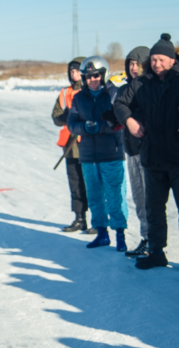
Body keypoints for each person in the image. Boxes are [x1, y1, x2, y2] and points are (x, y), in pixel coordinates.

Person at [114, 34, 179, 270]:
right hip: (152, 157)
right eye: (153, 59)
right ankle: (156, 251)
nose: (157, 64)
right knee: (154, 208)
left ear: (173, 60)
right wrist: (130, 121)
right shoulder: (140, 83)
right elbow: (120, 104)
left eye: (162, 59)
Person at [67, 55, 128, 250]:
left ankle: (120, 235)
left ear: (103, 75)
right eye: (89, 76)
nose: (93, 80)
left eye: (96, 76)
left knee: (115, 195)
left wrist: (100, 126)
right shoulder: (78, 98)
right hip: (88, 156)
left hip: (111, 153)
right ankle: (102, 233)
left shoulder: (114, 94)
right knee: (94, 196)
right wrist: (84, 127)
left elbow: (119, 121)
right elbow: (71, 124)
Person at [117, 46, 150, 257]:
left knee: (149, 198)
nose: (133, 67)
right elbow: (119, 109)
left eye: (137, 63)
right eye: (130, 63)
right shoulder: (125, 89)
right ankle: (146, 237)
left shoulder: (148, 88)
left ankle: (153, 241)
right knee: (138, 198)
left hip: (147, 153)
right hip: (131, 152)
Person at [52, 56, 91, 232]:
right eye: (71, 71)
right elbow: (56, 117)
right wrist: (66, 116)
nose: (74, 74)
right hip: (71, 146)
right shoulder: (64, 93)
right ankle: (79, 218)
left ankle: (99, 221)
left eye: (77, 71)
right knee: (75, 183)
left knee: (92, 183)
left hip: (89, 145)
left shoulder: (91, 90)